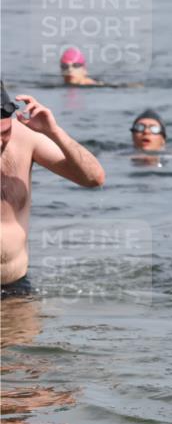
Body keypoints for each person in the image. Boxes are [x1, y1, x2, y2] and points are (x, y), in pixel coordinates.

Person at [1, 82, 106, 298]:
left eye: (5, 132)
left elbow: (93, 178)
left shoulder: (24, 136)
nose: (1, 142)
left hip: (15, 289)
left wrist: (54, 132)